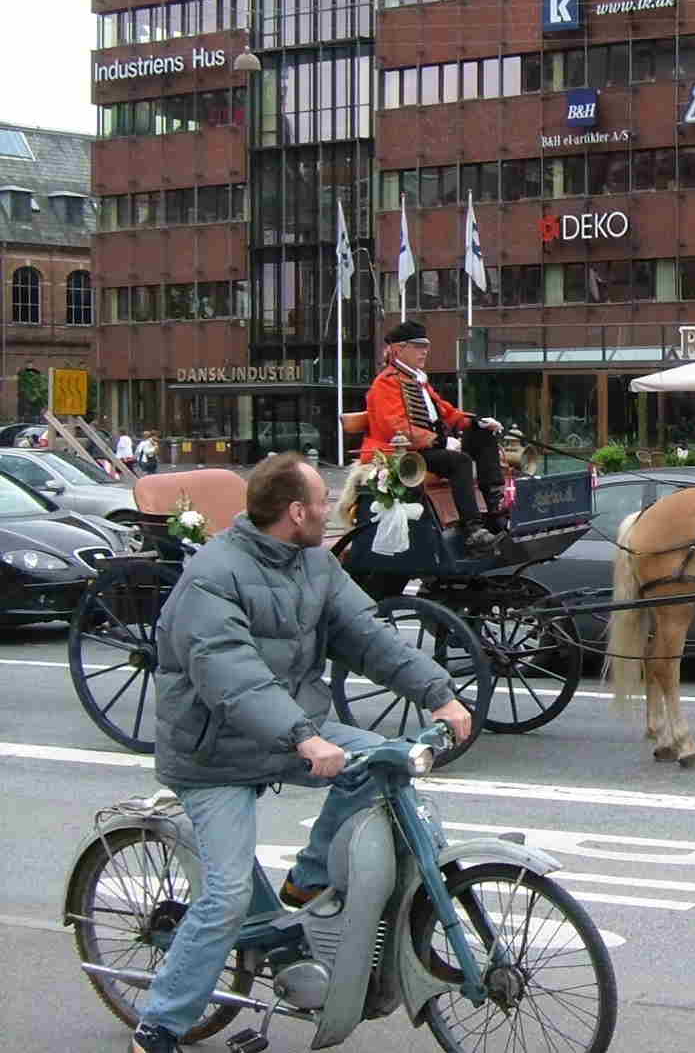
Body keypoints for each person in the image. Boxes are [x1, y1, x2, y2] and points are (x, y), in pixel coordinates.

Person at [128, 453, 473, 1053]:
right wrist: (304, 737)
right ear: (295, 513)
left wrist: (439, 693)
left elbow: (366, 635)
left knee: (384, 764)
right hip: (216, 755)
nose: (328, 510)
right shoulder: (214, 574)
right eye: (321, 502)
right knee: (227, 897)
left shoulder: (314, 563)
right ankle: (160, 1022)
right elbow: (232, 677)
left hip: (293, 732)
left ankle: (308, 884)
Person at [363, 321, 505, 553]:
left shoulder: (418, 380)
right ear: (399, 350)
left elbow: (447, 413)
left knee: (483, 437)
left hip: (427, 448)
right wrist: (439, 441)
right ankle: (473, 530)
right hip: (405, 454)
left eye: (426, 346)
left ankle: (494, 511)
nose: (425, 351)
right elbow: (396, 428)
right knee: (459, 462)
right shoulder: (385, 384)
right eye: (418, 346)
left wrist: (477, 422)